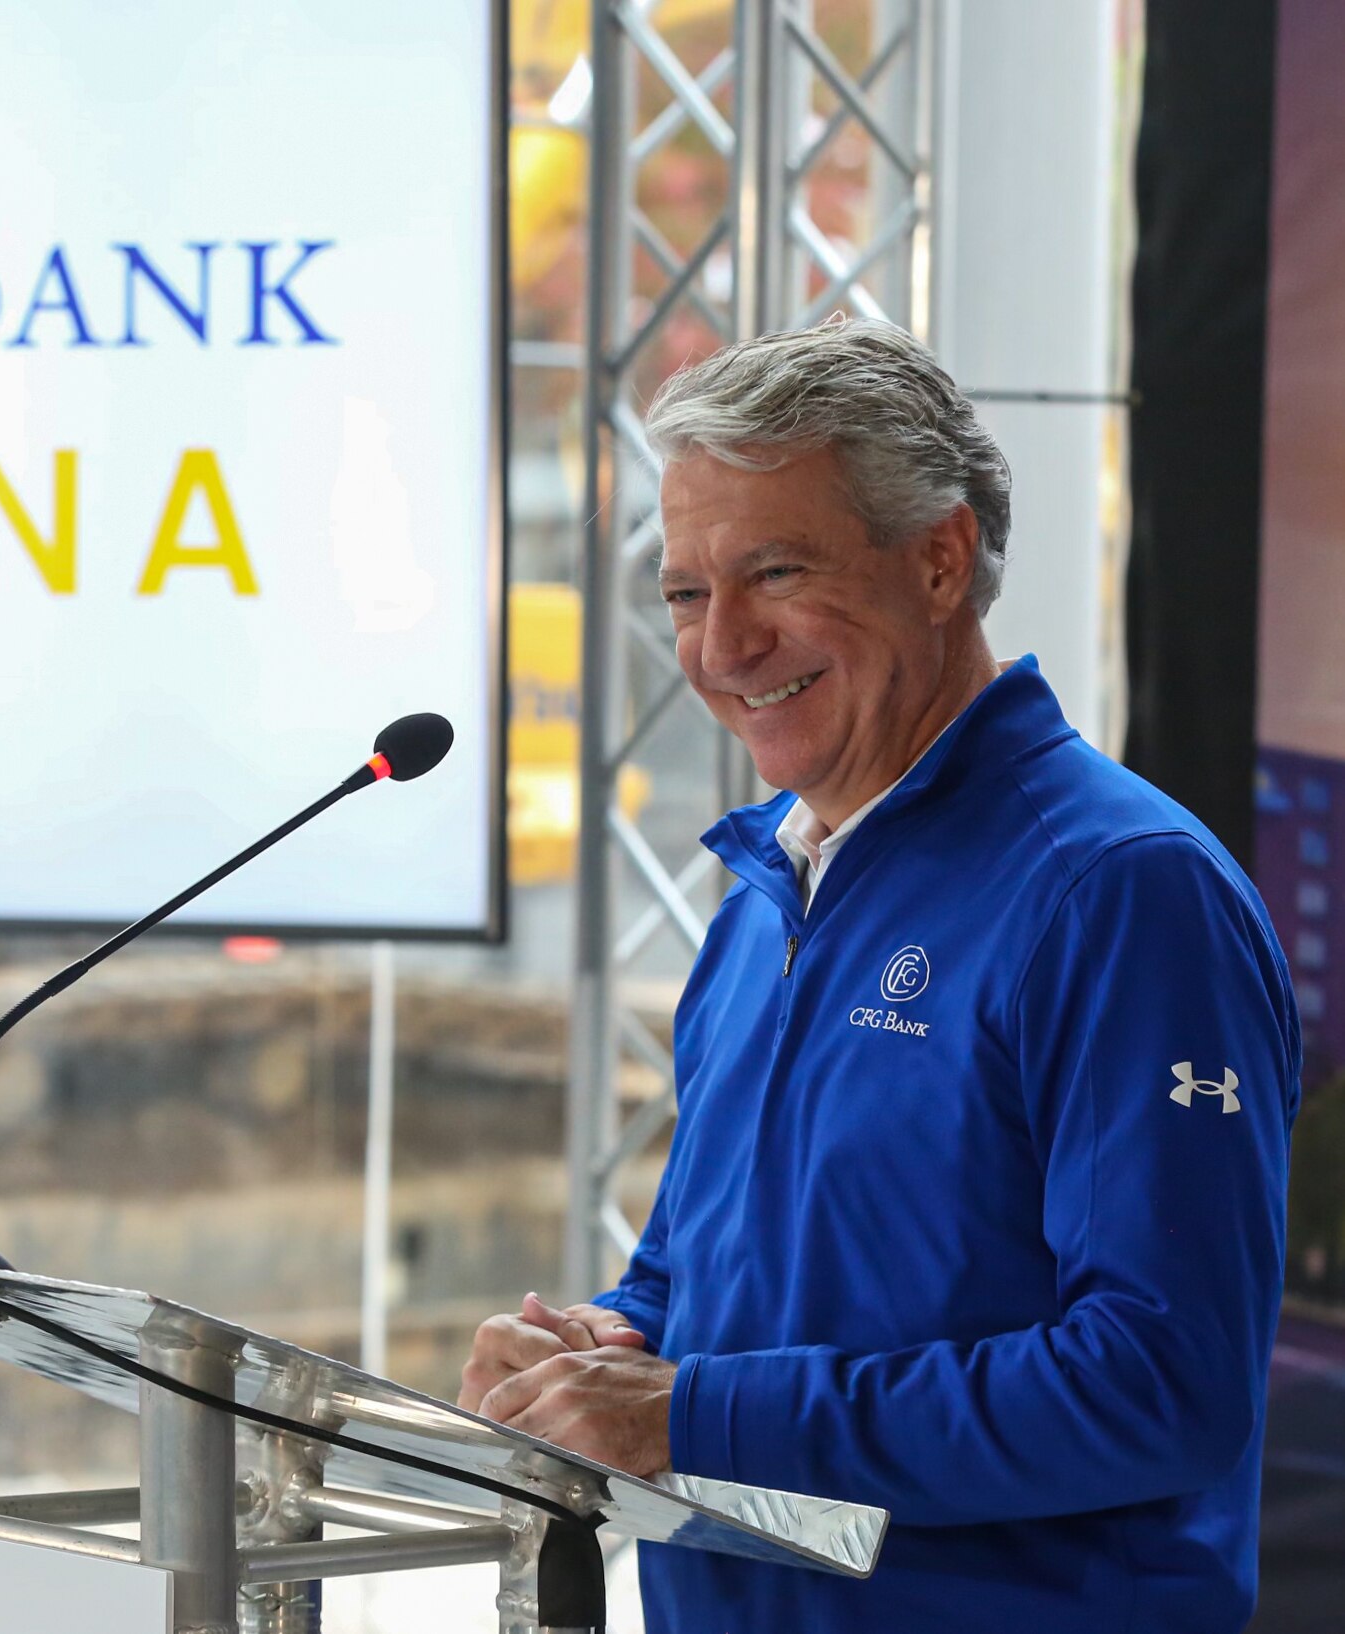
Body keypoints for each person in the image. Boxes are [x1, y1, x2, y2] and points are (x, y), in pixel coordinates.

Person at [458, 320, 1299, 1630]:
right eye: (685, 593)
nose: (721, 645)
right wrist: (597, 1349)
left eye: (774, 571)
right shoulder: (763, 900)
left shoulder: (1122, 891)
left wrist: (691, 1410)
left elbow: (1159, 1381)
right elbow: (702, 1282)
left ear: (942, 559)